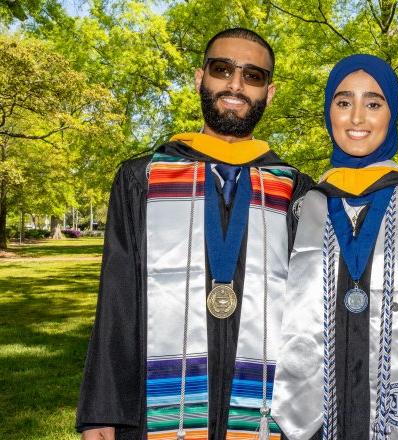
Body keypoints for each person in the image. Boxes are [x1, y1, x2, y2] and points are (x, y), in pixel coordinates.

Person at [76, 28, 313, 440]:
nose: (236, 85)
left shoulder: (295, 189)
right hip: (155, 408)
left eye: (253, 76)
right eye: (223, 70)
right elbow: (117, 297)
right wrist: (102, 409)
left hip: (265, 410)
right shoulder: (143, 178)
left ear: (269, 93)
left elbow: (308, 313)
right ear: (200, 77)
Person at [271, 54, 398, 440]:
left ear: (392, 113)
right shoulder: (302, 204)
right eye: (343, 103)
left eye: (373, 103)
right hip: (313, 420)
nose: (357, 118)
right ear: (328, 112)